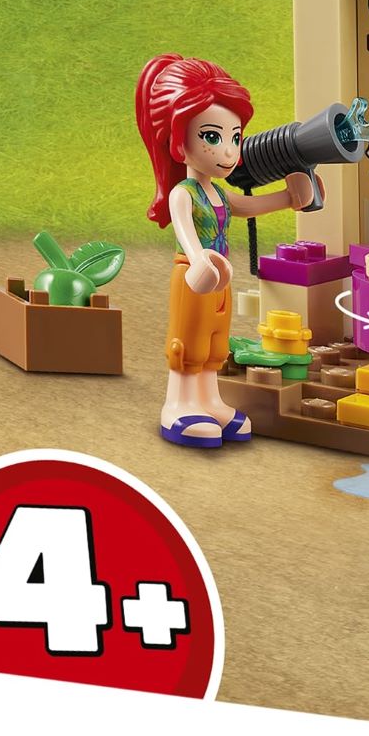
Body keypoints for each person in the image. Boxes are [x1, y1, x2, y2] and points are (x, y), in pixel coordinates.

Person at [136, 54, 314, 447]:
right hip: (193, 277)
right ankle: (178, 405)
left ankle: (210, 401)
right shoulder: (184, 193)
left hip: (220, 279)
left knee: (215, 343)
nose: (230, 152)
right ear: (178, 143)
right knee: (188, 343)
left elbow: (246, 206)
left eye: (235, 138)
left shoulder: (217, 191)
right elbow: (185, 231)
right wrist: (199, 259)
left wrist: (288, 198)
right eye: (213, 138)